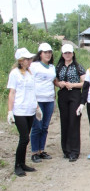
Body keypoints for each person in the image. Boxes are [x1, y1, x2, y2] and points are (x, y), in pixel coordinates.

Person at [7, 48, 41, 176]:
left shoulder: (30, 73)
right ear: (21, 61)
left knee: (26, 138)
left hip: (30, 110)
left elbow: (32, 92)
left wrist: (37, 107)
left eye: (30, 59)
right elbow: (12, 92)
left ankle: (22, 163)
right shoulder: (15, 74)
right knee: (24, 138)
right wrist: (10, 111)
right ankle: (17, 165)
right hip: (20, 110)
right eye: (27, 59)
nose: (30, 61)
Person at [55, 44, 85, 162]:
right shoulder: (59, 67)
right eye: (65, 53)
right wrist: (59, 84)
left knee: (74, 120)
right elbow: (55, 80)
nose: (67, 55)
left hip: (75, 94)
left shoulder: (78, 67)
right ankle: (66, 150)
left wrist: (73, 85)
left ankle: (74, 150)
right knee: (65, 121)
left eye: (69, 53)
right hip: (63, 94)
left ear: (73, 53)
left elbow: (84, 82)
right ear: (62, 54)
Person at [29, 43, 56, 163]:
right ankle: (34, 152)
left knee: (45, 127)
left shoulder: (51, 67)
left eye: (49, 52)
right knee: (37, 127)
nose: (48, 54)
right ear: (40, 54)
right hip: (38, 100)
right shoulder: (34, 66)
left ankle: (41, 150)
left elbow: (54, 81)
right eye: (45, 52)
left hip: (49, 100)